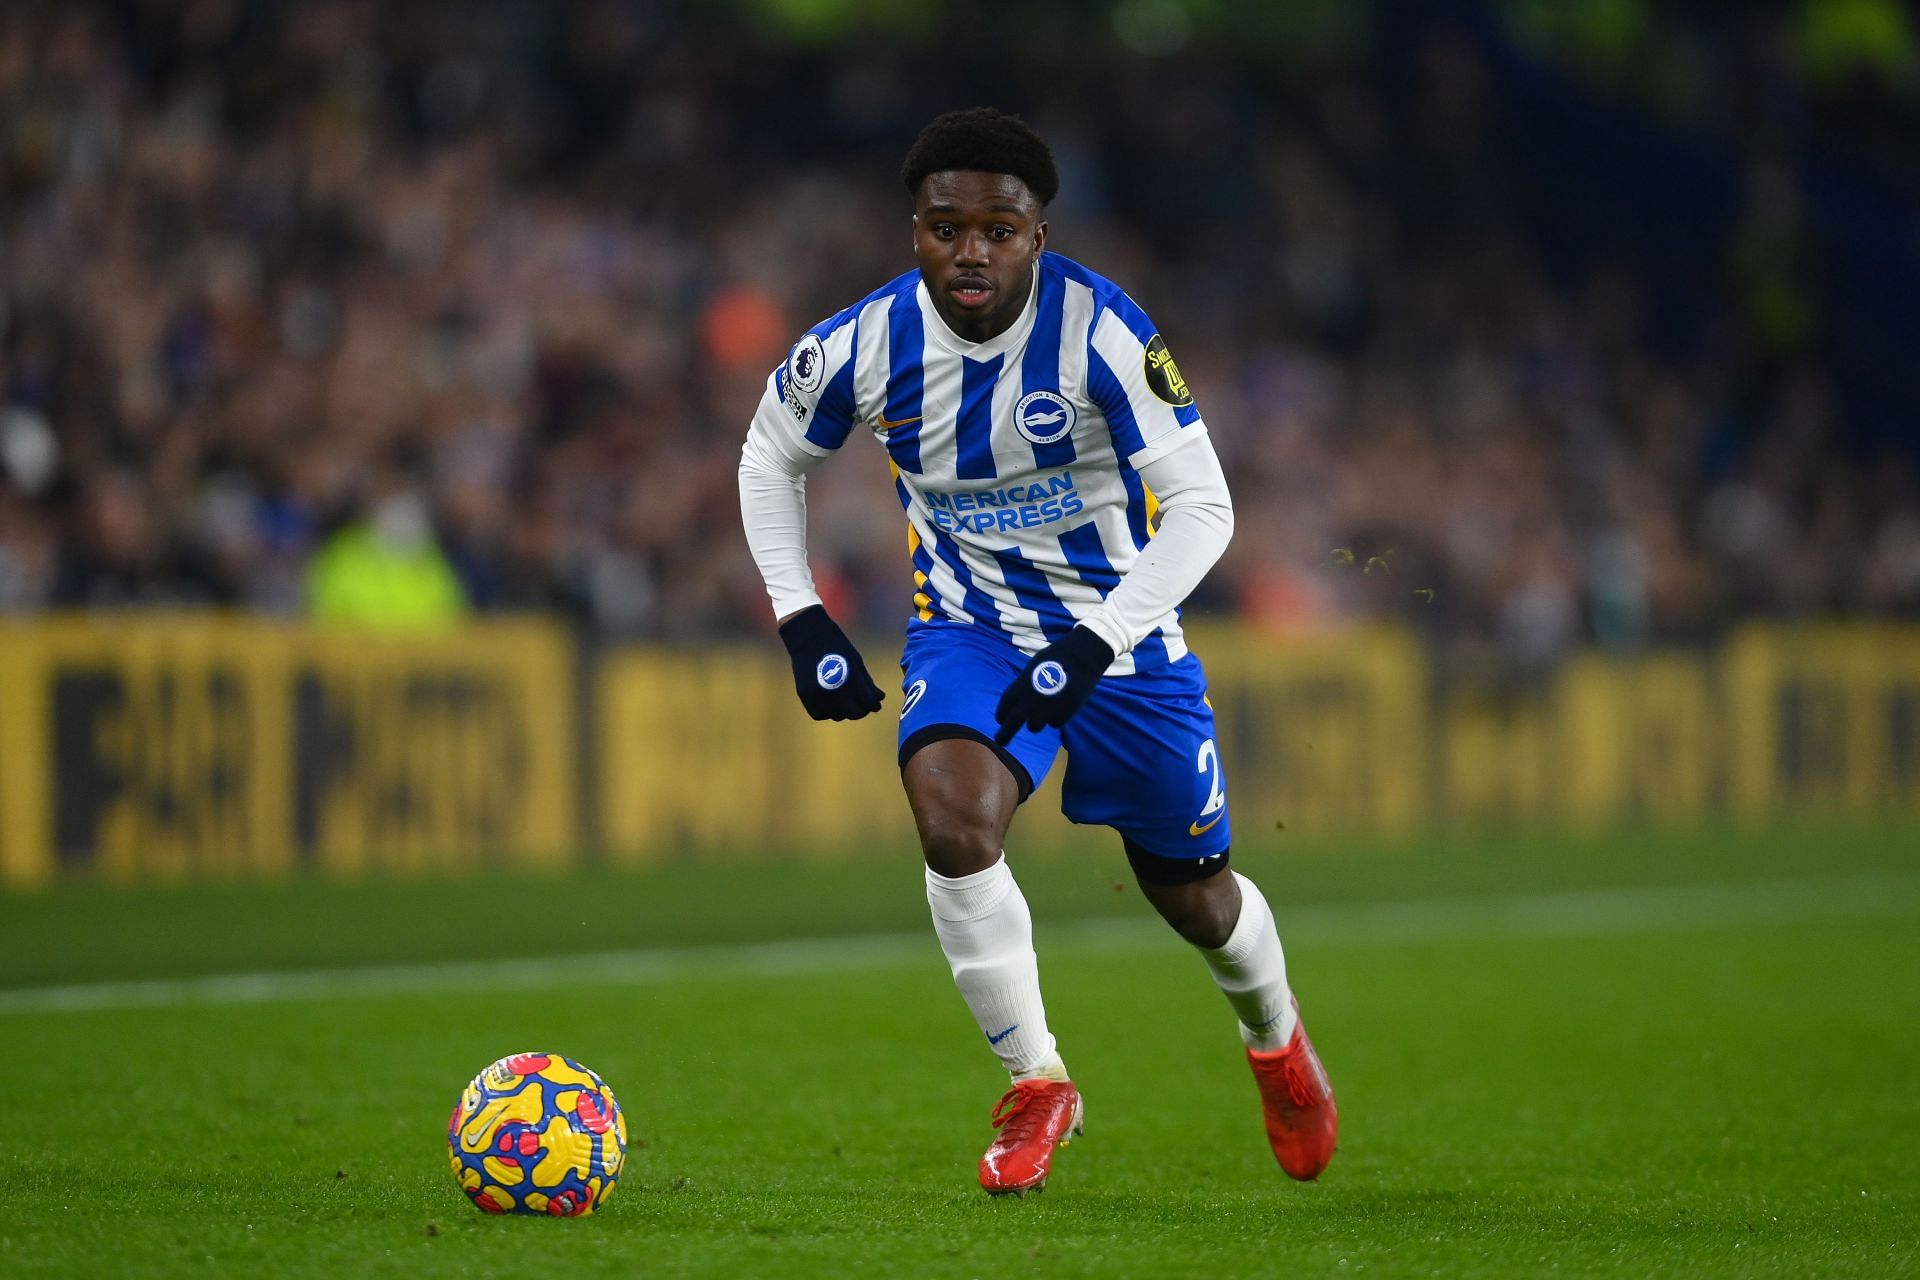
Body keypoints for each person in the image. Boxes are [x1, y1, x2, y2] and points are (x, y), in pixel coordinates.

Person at [737, 107, 1336, 1196]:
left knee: (1195, 897)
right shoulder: (863, 344)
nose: (971, 250)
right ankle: (1036, 1079)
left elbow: (1204, 506)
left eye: (998, 230)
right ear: (914, 230)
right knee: (952, 817)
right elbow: (769, 453)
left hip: (1124, 637)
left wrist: (1097, 639)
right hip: (968, 628)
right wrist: (801, 613)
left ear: (1036, 238)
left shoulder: (1104, 333)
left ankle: (1276, 1038)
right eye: (945, 226)